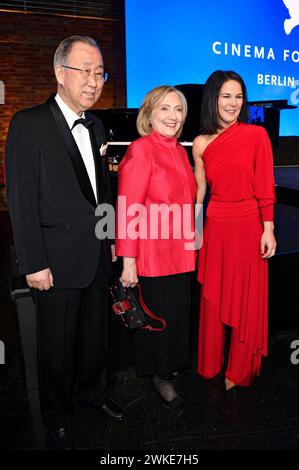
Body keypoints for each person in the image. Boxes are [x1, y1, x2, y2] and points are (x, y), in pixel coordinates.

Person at [5, 35, 122, 450]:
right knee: (56, 345)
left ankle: (93, 395)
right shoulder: (28, 123)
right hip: (53, 261)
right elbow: (19, 199)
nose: (93, 81)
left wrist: (109, 240)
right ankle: (56, 415)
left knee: (96, 338)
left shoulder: (97, 124)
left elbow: (102, 192)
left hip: (95, 254)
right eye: (85, 71)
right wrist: (32, 262)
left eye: (99, 73)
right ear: (60, 73)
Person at [193, 70, 276, 390]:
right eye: (226, 96)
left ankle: (238, 370)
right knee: (212, 298)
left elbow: (265, 186)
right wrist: (195, 232)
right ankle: (210, 363)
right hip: (215, 225)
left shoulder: (257, 136)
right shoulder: (200, 142)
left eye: (238, 96)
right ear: (213, 99)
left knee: (245, 299)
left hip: (248, 225)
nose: (232, 103)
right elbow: (200, 192)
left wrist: (268, 229)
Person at [116, 85, 197, 409]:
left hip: (182, 253)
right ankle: (159, 375)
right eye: (164, 108)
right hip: (153, 256)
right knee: (158, 319)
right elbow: (127, 208)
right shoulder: (141, 150)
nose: (173, 116)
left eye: (178, 110)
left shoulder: (179, 150)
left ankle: (171, 367)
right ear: (148, 114)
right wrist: (128, 261)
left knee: (177, 316)